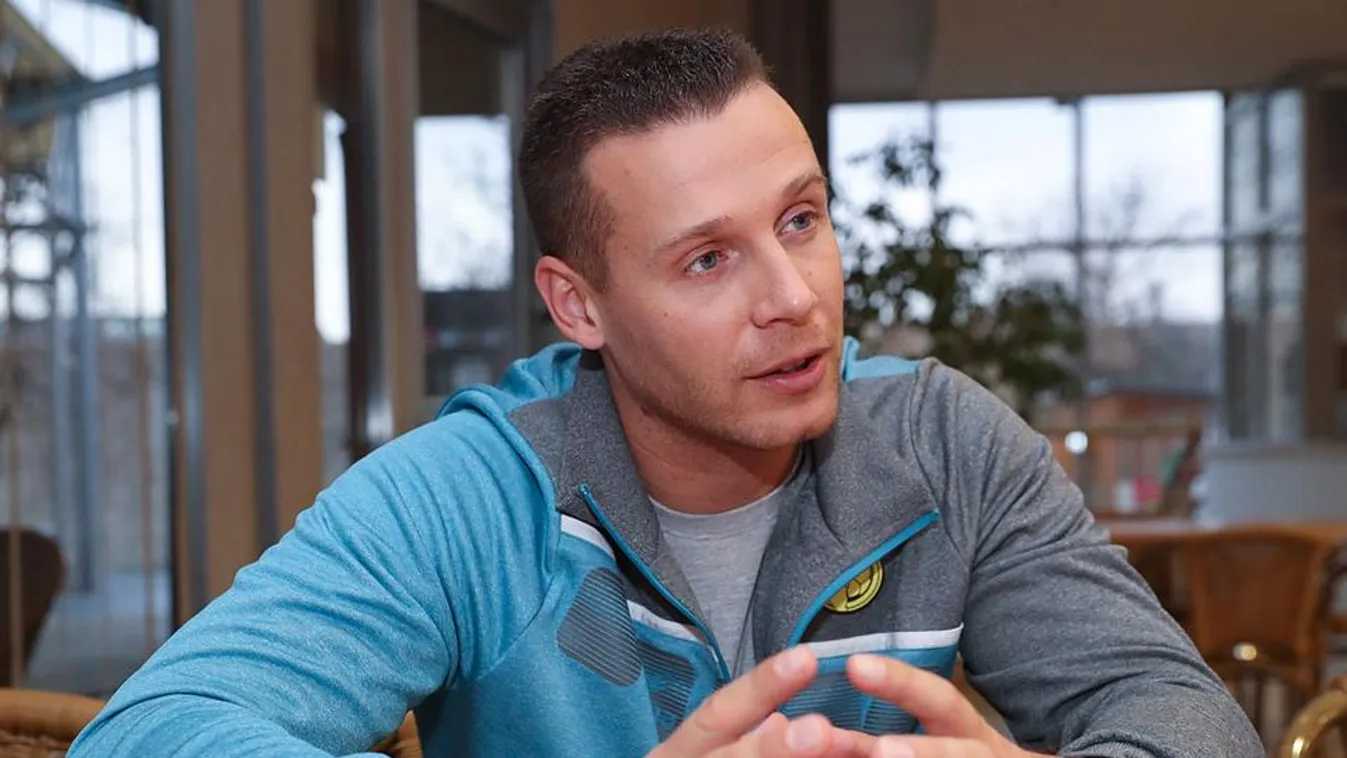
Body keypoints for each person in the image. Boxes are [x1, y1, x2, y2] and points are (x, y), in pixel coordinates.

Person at [71, 28, 1261, 758]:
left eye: (802, 220)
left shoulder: (944, 444)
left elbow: (1183, 712)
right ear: (578, 305)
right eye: (706, 259)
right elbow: (150, 732)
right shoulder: (477, 490)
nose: (793, 296)